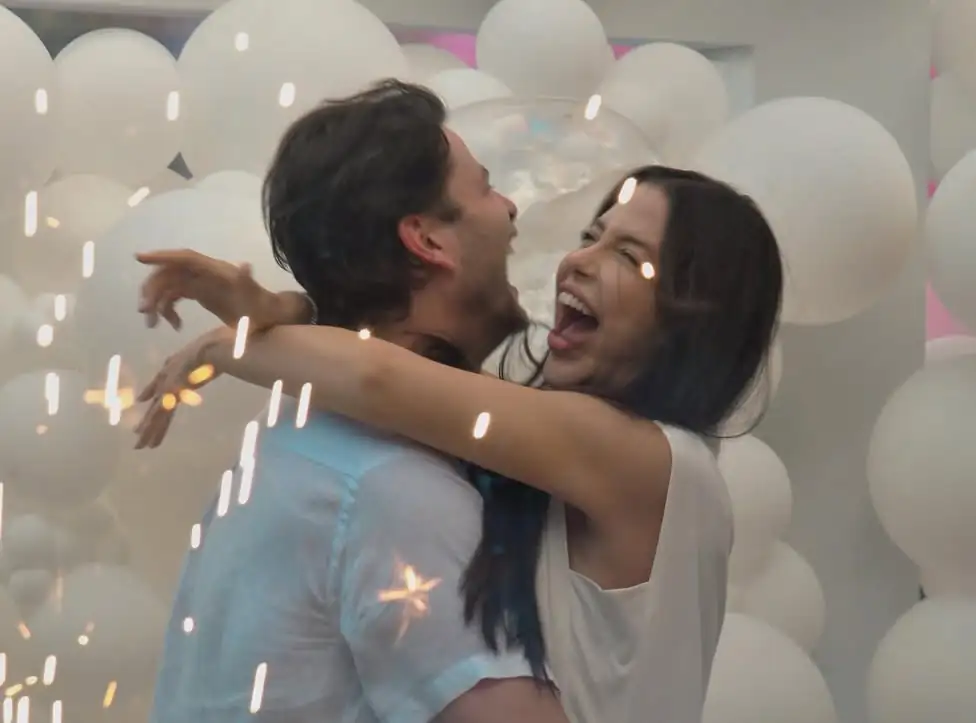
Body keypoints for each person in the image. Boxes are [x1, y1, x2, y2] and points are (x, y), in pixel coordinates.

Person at [137, 167, 784, 721]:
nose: (580, 260)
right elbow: (406, 366)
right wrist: (284, 309)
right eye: (592, 235)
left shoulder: (649, 460)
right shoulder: (558, 441)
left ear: (689, 316)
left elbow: (379, 378)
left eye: (627, 256)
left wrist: (228, 346)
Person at [145, 80, 571, 723]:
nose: (509, 208)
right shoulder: (396, 492)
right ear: (428, 241)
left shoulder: (298, 436)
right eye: (485, 188)